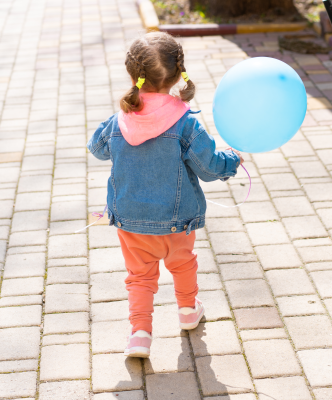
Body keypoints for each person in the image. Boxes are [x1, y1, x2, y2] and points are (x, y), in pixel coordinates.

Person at [87, 32, 243, 358]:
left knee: (140, 277)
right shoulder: (186, 123)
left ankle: (140, 334)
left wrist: (118, 116)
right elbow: (210, 167)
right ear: (177, 74)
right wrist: (233, 160)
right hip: (177, 220)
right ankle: (188, 311)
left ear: (132, 75)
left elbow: (96, 148)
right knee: (183, 263)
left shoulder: (120, 121)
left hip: (131, 221)